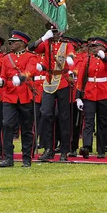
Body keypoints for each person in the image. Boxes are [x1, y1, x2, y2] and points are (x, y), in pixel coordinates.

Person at [27, 26, 75, 161]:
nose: (54, 34)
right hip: (48, 82)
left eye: (56, 31)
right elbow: (31, 48)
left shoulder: (67, 45)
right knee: (46, 113)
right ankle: (49, 148)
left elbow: (71, 53)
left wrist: (70, 59)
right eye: (52, 32)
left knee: (64, 117)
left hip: (62, 81)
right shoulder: (46, 44)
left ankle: (65, 149)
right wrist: (43, 38)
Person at [0, 30, 37, 167]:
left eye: (13, 42)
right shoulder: (6, 58)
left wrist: (21, 77)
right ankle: (8, 158)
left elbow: (30, 71)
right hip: (9, 95)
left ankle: (27, 158)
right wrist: (1, 81)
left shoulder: (30, 57)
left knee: (26, 128)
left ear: (22, 43)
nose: (11, 44)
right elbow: (3, 75)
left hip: (25, 94)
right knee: (7, 125)